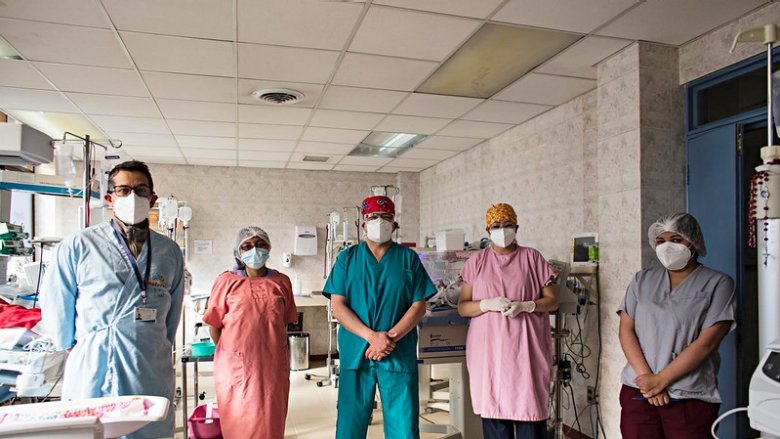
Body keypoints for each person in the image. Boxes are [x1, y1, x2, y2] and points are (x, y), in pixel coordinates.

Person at [40, 160, 185, 439]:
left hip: (149, 362)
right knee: (95, 429)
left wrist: (149, 339)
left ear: (152, 199)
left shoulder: (169, 252)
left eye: (141, 190)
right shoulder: (79, 246)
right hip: (95, 362)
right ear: (109, 198)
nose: (133, 197)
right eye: (123, 190)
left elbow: (172, 316)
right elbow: (59, 308)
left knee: (148, 428)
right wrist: (83, 344)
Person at [322, 195, 437, 439]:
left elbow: (419, 304)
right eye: (373, 217)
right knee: (350, 425)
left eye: (386, 217)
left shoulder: (408, 259)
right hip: (357, 352)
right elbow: (338, 306)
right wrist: (372, 337)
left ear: (394, 223)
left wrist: (389, 338)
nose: (379, 222)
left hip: (397, 351)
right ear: (363, 224)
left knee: (403, 425)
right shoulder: (347, 259)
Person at [617, 212, 736, 438]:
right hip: (639, 389)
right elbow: (625, 330)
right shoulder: (641, 280)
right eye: (660, 241)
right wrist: (648, 381)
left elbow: (707, 343)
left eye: (676, 240)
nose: (667, 247)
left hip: (688, 394)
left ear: (693, 241)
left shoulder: (719, 284)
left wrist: (660, 381)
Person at [457, 203, 558, 439]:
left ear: (517, 227)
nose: (502, 230)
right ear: (487, 230)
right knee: (495, 416)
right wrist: (485, 304)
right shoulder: (476, 262)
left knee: (529, 413)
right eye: (496, 226)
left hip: (526, 352)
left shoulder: (532, 258)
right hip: (489, 354)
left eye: (508, 225)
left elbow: (552, 301)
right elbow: (463, 307)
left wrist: (528, 305)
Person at [202, 226, 297, 439]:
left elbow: (284, 322)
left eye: (261, 244)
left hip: (272, 366)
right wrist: (232, 352)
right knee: (238, 421)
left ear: (269, 247)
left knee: (271, 419)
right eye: (247, 246)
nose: (255, 250)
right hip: (235, 368)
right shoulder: (226, 282)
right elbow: (214, 325)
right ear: (238, 252)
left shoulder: (281, 282)